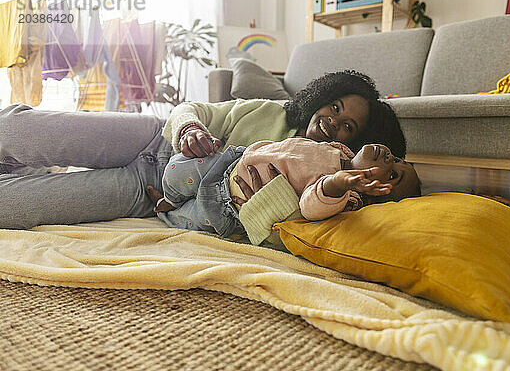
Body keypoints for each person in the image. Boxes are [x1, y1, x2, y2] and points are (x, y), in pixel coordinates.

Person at [0, 69, 407, 229]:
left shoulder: (316, 180)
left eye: (347, 124)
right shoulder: (267, 110)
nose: (332, 121)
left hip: (151, 193)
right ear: (323, 96)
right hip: (153, 138)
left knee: (15, 208)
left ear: (352, 141)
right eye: (334, 106)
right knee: (17, 131)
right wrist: (191, 128)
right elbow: (190, 107)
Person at [145, 138, 421, 247]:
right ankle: (170, 196)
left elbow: (311, 205)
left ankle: (168, 209)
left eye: (394, 174)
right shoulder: (342, 150)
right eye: (396, 157)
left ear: (373, 195)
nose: (389, 159)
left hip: (225, 204)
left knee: (190, 220)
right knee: (174, 173)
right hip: (232, 162)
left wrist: (338, 183)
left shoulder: (344, 197)